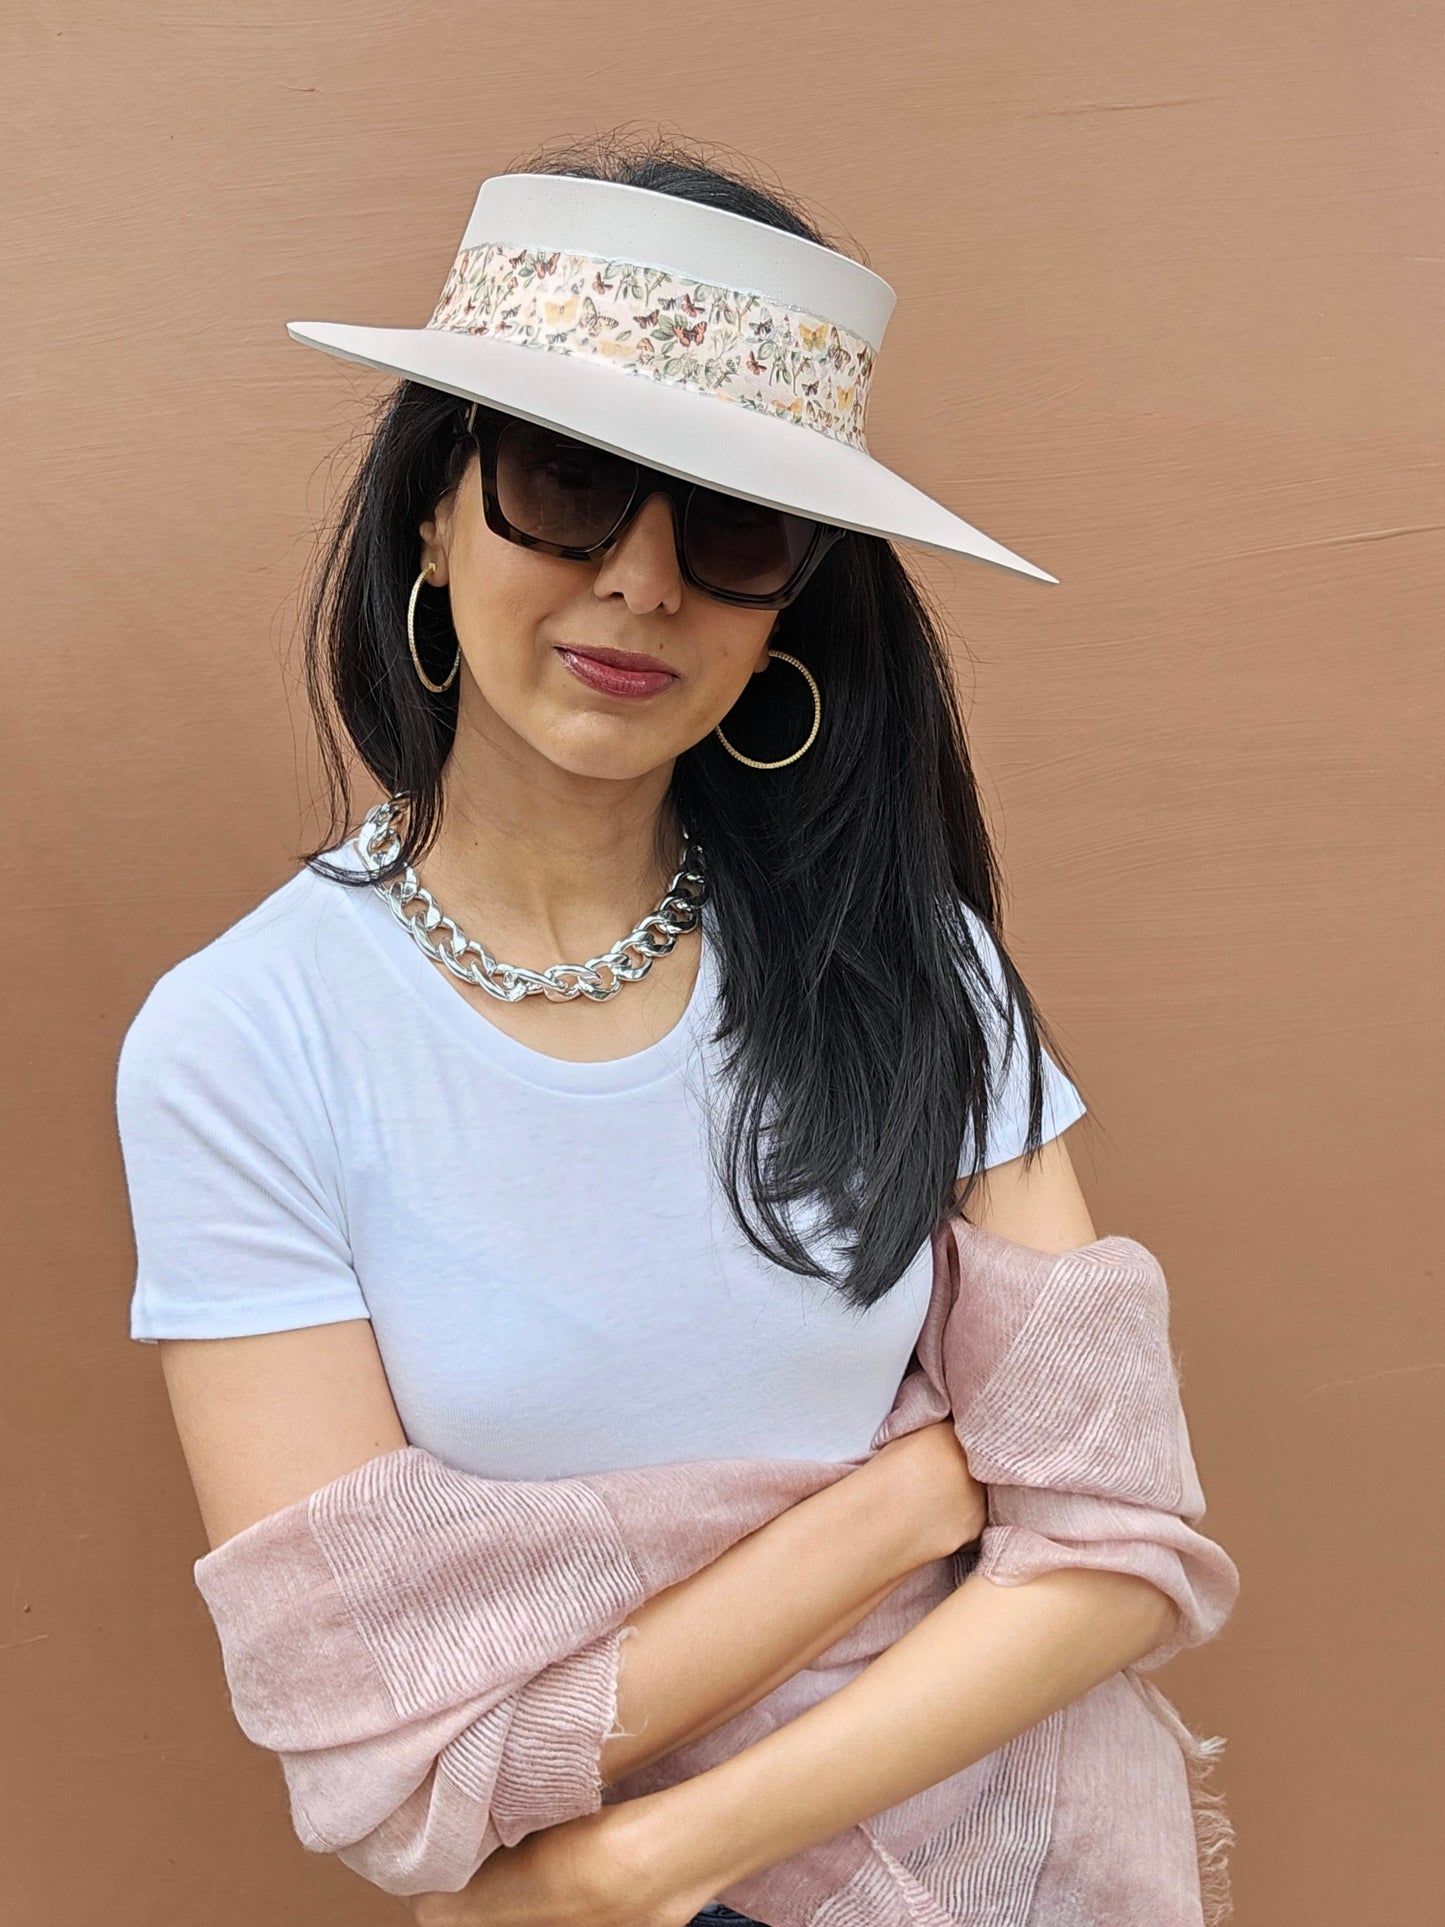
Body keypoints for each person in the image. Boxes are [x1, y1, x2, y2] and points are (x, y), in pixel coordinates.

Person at [114, 136, 1202, 1927]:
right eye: (566, 483)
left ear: (790, 603)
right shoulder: (245, 1042)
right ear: (432, 509)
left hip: (1005, 1879)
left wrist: (637, 1862)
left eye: (732, 527)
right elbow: (386, 1748)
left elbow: (1116, 1547)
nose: (639, 582)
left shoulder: (907, 963)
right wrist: (908, 1501)